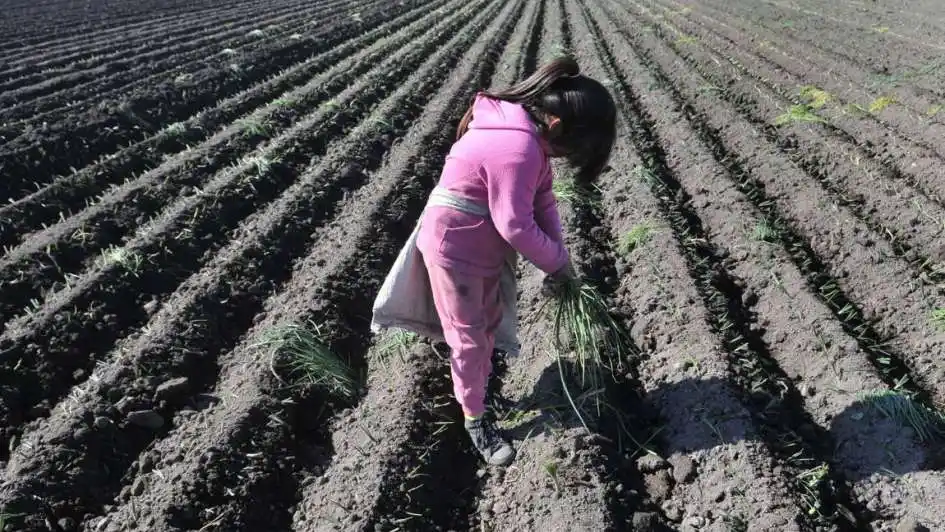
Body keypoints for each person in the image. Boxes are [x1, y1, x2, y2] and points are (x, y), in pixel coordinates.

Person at [372, 57, 617, 466]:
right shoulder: (518, 148)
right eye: (574, 149)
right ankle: (475, 421)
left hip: (479, 245)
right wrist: (555, 263)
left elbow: (543, 202)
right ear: (557, 126)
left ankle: (481, 391)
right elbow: (516, 226)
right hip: (455, 250)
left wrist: (562, 260)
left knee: (486, 324)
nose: (567, 158)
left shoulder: (529, 138)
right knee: (469, 338)